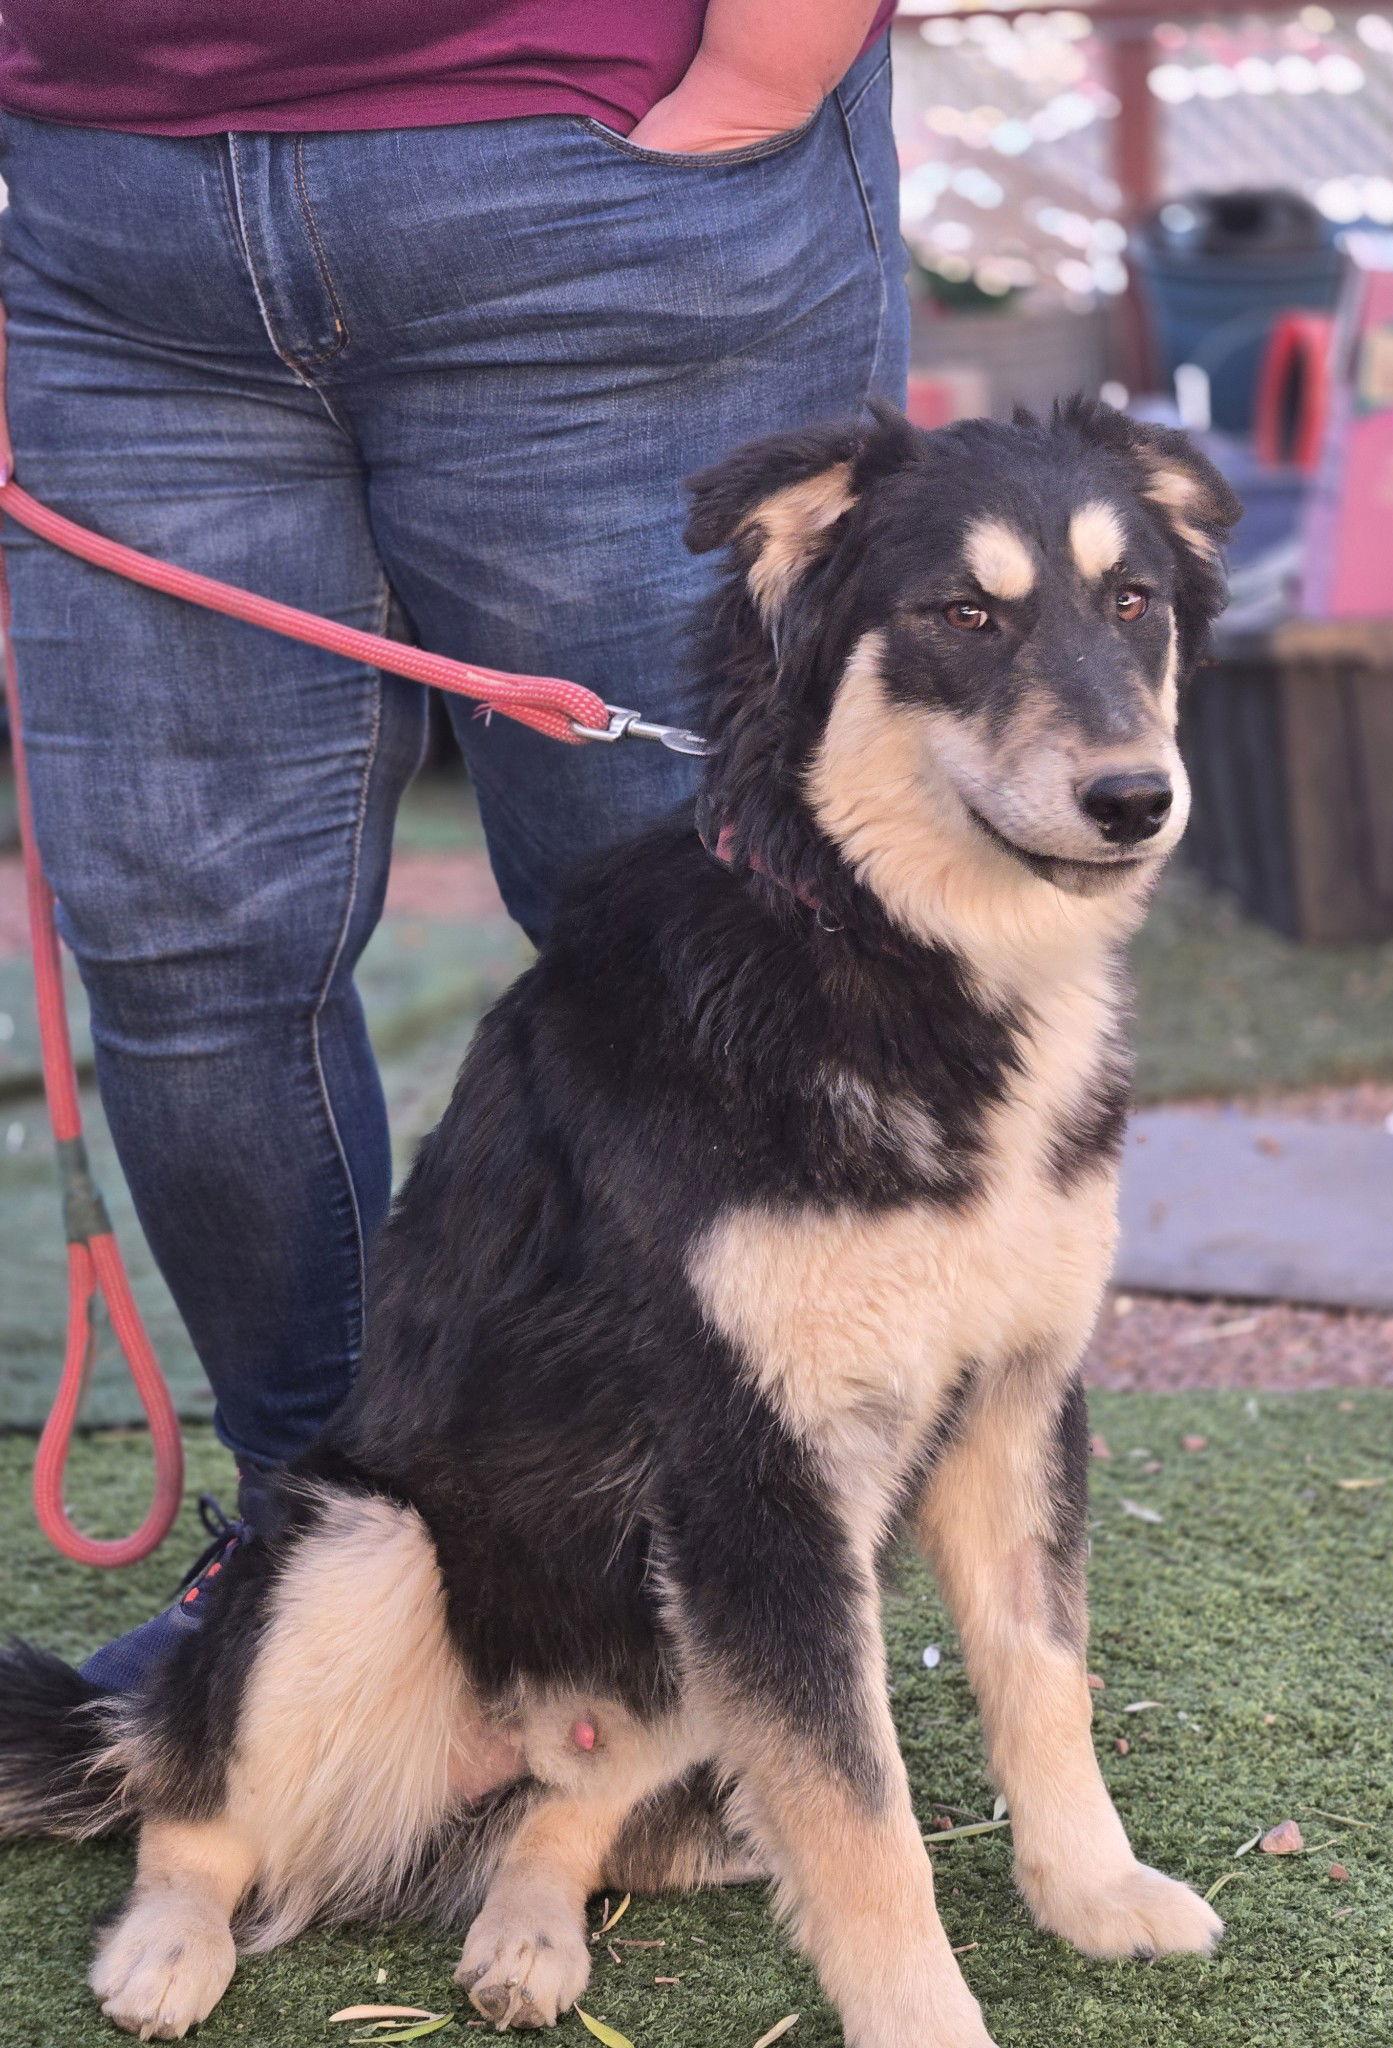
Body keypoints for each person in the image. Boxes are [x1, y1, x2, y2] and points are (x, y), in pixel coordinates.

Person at [0, 0, 908, 1687]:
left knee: (707, 938)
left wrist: (767, 64)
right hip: (110, 241)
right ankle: (328, 1563)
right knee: (186, 963)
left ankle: (699, 1597)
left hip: (601, 181)